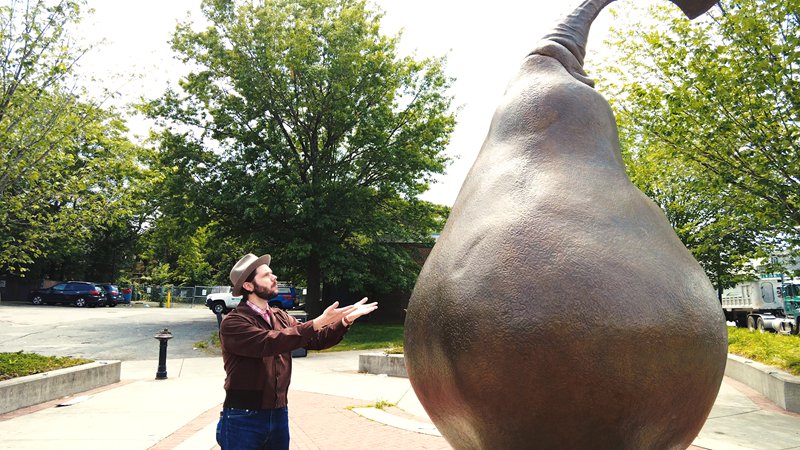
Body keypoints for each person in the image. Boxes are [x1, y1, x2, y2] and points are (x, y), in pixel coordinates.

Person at [216, 253, 378, 450]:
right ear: (249, 286)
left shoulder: (281, 317)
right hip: (243, 416)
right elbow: (269, 343)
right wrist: (317, 322)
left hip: (278, 413)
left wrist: (344, 321)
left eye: (272, 273)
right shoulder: (234, 322)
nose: (274, 277)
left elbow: (316, 339)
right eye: (266, 275)